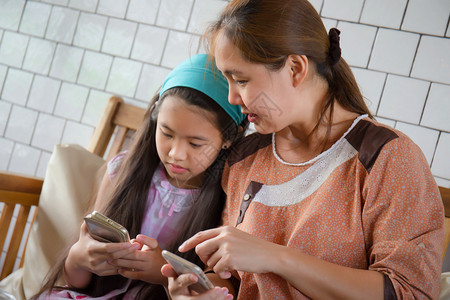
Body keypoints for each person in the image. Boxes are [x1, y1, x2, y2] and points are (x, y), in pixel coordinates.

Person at [161, 0, 445, 299]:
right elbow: (233, 276)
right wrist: (205, 290)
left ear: (295, 68)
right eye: (228, 80)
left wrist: (276, 257)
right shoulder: (245, 157)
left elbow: (408, 291)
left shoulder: (388, 156)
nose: (233, 97)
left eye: (241, 80)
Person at [33, 54, 247, 299]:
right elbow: (77, 283)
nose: (176, 154)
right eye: (166, 133)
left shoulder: (229, 196)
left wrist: (162, 273)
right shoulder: (122, 171)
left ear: (228, 139)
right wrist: (78, 257)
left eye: (195, 144)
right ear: (155, 119)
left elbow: (217, 288)